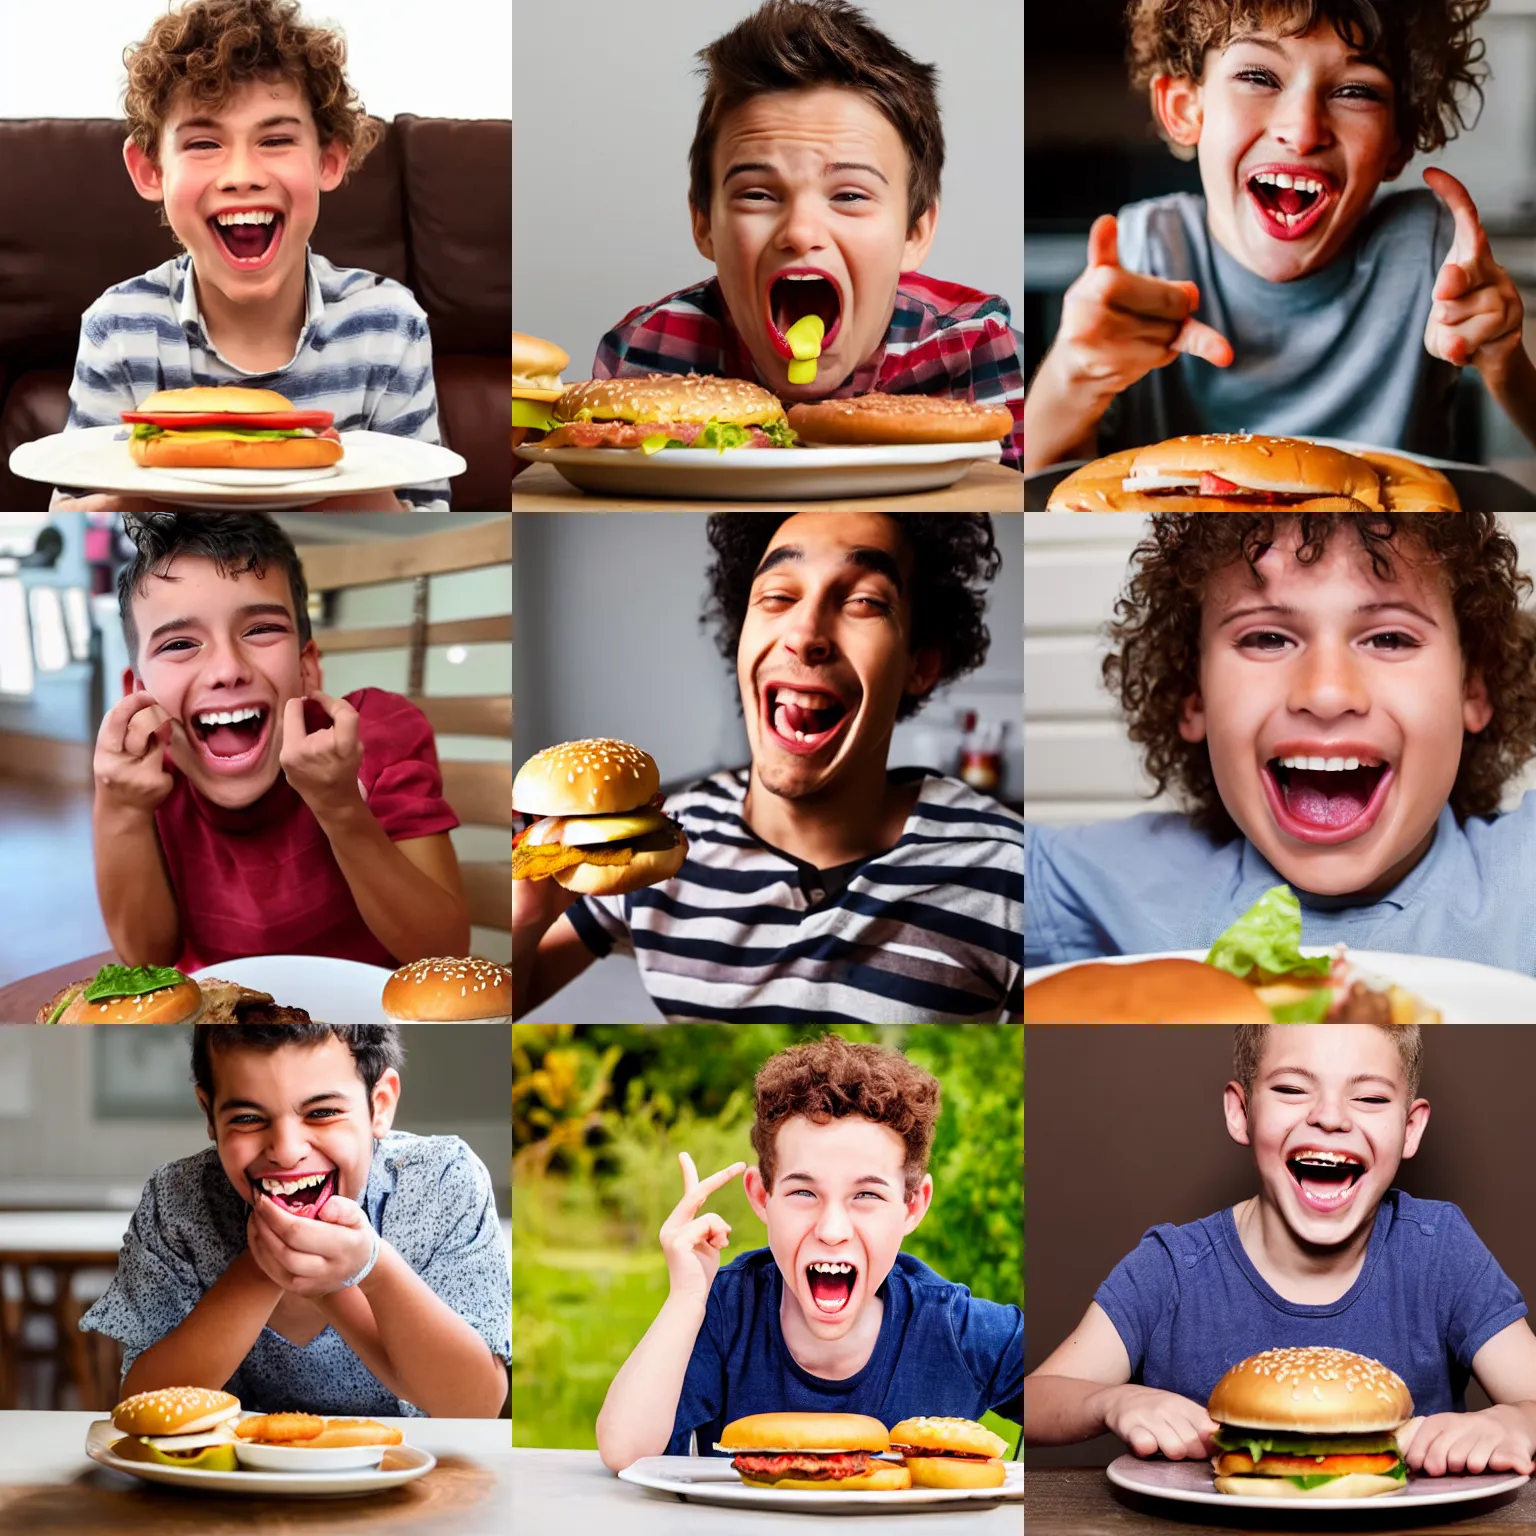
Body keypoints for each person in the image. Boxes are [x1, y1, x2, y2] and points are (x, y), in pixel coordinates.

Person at [514, 511, 1022, 1022]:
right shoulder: (653, 847)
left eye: (864, 601)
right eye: (778, 597)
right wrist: (528, 914)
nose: (804, 633)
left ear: (921, 665)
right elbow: (506, 1001)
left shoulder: (1010, 873)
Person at [1022, 0, 1534, 472]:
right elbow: (1043, 481)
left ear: (1398, 143)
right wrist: (1074, 375)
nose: (1303, 129)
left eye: (1355, 91)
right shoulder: (1145, 255)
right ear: (1184, 109)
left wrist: (1504, 359)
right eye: (1259, 76)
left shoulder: (1433, 257)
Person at [1025, 1023, 1536, 1479]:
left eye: (1371, 1099)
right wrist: (1110, 1400)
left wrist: (1516, 1419)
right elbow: (1034, 1401)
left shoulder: (1439, 1248)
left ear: (1411, 1127)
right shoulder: (1172, 1268)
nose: (1330, 1117)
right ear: (1241, 1112)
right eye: (1292, 1089)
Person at [1025, 512, 1536, 968]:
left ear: (1473, 687)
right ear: (1193, 695)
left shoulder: (1521, 879)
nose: (1328, 693)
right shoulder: (1114, 882)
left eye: (1389, 638)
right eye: (1267, 638)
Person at [591, 0, 1023, 471]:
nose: (800, 233)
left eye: (850, 196)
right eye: (757, 194)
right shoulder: (647, 350)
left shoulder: (972, 347)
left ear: (914, 232)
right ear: (704, 224)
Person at [54, 0, 448, 510]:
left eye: (276, 139)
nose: (242, 174)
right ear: (151, 170)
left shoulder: (389, 324)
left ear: (329, 159)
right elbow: (70, 513)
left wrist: (340, 474)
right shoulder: (119, 326)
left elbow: (428, 512)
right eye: (202, 143)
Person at [594, 1034, 1022, 1469]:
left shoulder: (957, 1328)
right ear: (762, 1198)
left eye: (866, 1196)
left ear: (912, 1206)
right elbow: (626, 1453)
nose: (832, 1230)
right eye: (803, 1192)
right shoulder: (724, 1313)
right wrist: (686, 1298)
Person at [94, 512, 470, 971]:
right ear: (137, 693)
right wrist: (122, 809)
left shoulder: (378, 736)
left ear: (307, 668)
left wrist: (340, 809)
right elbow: (147, 960)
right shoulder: (142, 781)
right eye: (178, 645)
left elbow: (445, 955)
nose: (227, 669)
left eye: (260, 630)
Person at [81, 1023, 509, 1417]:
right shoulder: (175, 1201)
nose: (286, 1151)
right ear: (209, 1115)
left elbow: (475, 1406)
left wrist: (369, 1266)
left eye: (322, 1113)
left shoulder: (443, 1180)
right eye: (248, 1118)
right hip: (229, 1489)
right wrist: (263, 1267)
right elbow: (142, 1406)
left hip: (407, 1486)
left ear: (379, 1105)